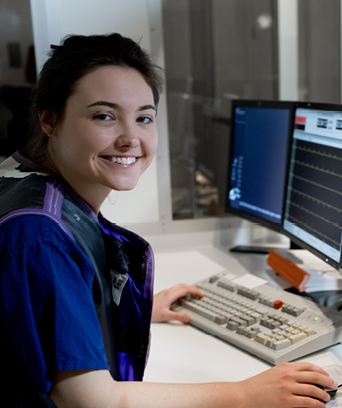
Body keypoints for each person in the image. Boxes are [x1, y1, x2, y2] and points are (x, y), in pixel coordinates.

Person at [0, 33, 337, 408]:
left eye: (144, 117)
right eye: (104, 116)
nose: (130, 139)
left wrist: (110, 302)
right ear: (49, 119)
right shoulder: (40, 236)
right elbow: (91, 401)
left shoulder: (19, 178)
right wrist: (244, 394)